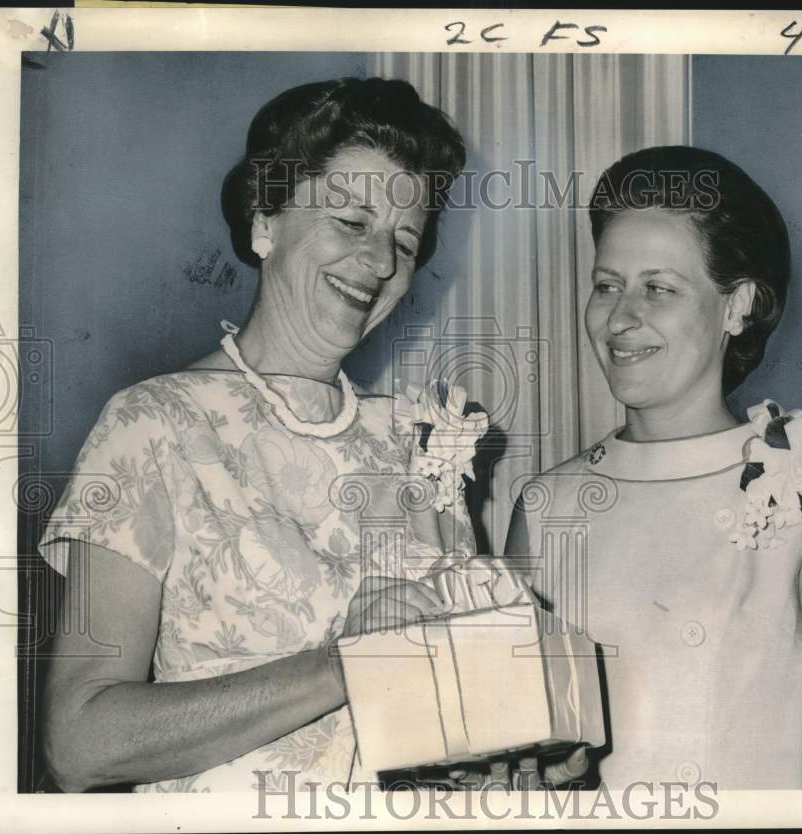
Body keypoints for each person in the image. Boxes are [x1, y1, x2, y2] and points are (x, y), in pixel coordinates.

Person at [39, 77, 479, 792]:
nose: (380, 263)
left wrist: (524, 744)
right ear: (265, 222)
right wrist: (339, 666)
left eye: (405, 240)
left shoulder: (422, 442)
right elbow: (80, 740)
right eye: (350, 222)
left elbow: (456, 713)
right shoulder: (154, 424)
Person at [506, 146, 802, 790]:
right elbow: (515, 770)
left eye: (658, 288)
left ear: (737, 306)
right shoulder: (547, 506)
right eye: (607, 285)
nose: (621, 318)